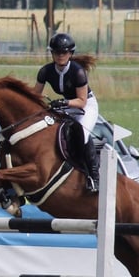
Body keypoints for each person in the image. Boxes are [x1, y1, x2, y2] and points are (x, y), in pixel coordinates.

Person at [34, 32, 100, 192]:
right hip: (67, 105)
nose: (60, 55)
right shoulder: (45, 71)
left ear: (70, 53)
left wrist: (64, 102)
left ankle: (94, 177)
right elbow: (34, 95)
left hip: (86, 106)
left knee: (82, 134)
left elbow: (81, 101)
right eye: (56, 52)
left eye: (64, 52)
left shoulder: (78, 72)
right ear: (52, 53)